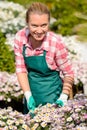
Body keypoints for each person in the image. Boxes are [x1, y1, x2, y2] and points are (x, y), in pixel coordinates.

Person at [14, 2, 74, 114]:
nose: (39, 30)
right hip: (32, 93)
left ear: (49, 24)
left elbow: (69, 73)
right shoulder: (20, 37)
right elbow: (21, 69)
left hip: (53, 95)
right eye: (34, 26)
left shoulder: (55, 43)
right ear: (27, 23)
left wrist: (64, 96)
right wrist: (28, 95)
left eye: (44, 25)